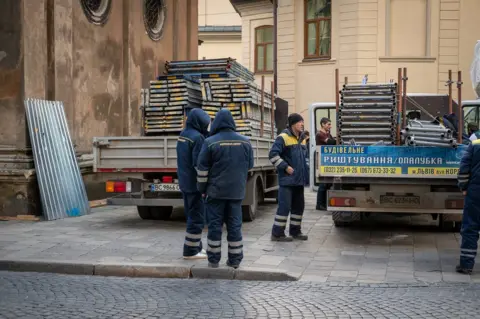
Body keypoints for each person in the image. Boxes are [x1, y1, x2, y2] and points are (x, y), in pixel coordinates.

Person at [196, 109, 254, 268]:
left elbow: (202, 170)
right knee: (235, 226)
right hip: (236, 193)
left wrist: (202, 188)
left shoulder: (210, 142)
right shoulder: (245, 141)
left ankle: (213, 260)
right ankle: (235, 260)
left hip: (215, 193)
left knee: (215, 226)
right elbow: (250, 165)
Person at [176, 108, 211, 260]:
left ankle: (197, 247)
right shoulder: (197, 138)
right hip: (194, 184)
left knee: (191, 214)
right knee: (197, 217)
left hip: (184, 181)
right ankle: (190, 251)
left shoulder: (183, 135)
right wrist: (204, 184)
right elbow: (198, 164)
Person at [269, 113, 309, 242]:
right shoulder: (283, 137)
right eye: (299, 122)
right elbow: (273, 155)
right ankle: (277, 233)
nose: (302, 124)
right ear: (292, 124)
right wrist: (285, 167)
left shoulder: (302, 139)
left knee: (299, 207)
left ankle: (295, 231)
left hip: (299, 180)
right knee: (284, 207)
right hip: (287, 180)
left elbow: (305, 158)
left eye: (303, 122)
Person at [456, 139, 480, 274]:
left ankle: (466, 265)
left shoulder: (475, 144)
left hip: (476, 192)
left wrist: (463, 186)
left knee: (470, 227)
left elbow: (464, 166)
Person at [315, 117, 336, 210]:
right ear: (323, 124)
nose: (330, 126)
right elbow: (331, 142)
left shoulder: (328, 134)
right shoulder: (320, 134)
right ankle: (319, 205)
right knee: (323, 183)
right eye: (328, 124)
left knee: (327, 183)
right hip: (322, 161)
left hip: (327, 160)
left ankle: (324, 203)